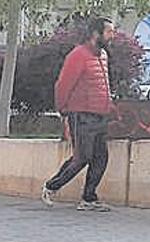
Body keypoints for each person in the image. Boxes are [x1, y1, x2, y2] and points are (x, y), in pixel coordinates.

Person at [41, 17, 117, 212]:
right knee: (82, 157)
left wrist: (109, 106)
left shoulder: (103, 56)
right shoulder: (78, 55)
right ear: (95, 34)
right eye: (109, 32)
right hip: (81, 115)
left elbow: (102, 85)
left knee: (101, 157)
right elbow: (63, 85)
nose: (112, 36)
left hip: (100, 115)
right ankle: (51, 187)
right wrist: (63, 110)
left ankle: (89, 198)